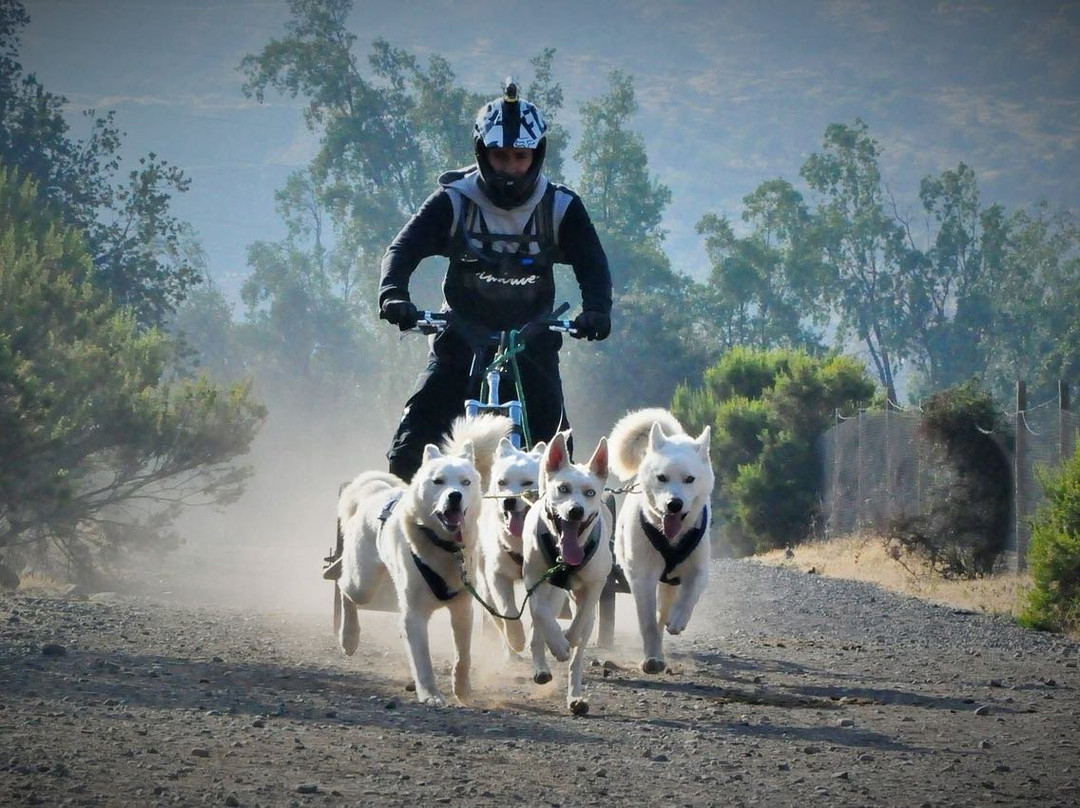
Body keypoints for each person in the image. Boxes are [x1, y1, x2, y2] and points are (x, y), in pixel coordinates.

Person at [378, 79, 612, 482]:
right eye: (500, 156)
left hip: (533, 342)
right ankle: (401, 531)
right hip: (459, 339)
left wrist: (597, 310)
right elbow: (403, 249)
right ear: (481, 153)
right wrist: (393, 294)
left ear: (536, 155)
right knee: (409, 448)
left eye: (520, 157)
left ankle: (554, 541)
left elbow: (593, 263)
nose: (510, 167)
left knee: (559, 458)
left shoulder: (560, 207)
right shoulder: (455, 199)